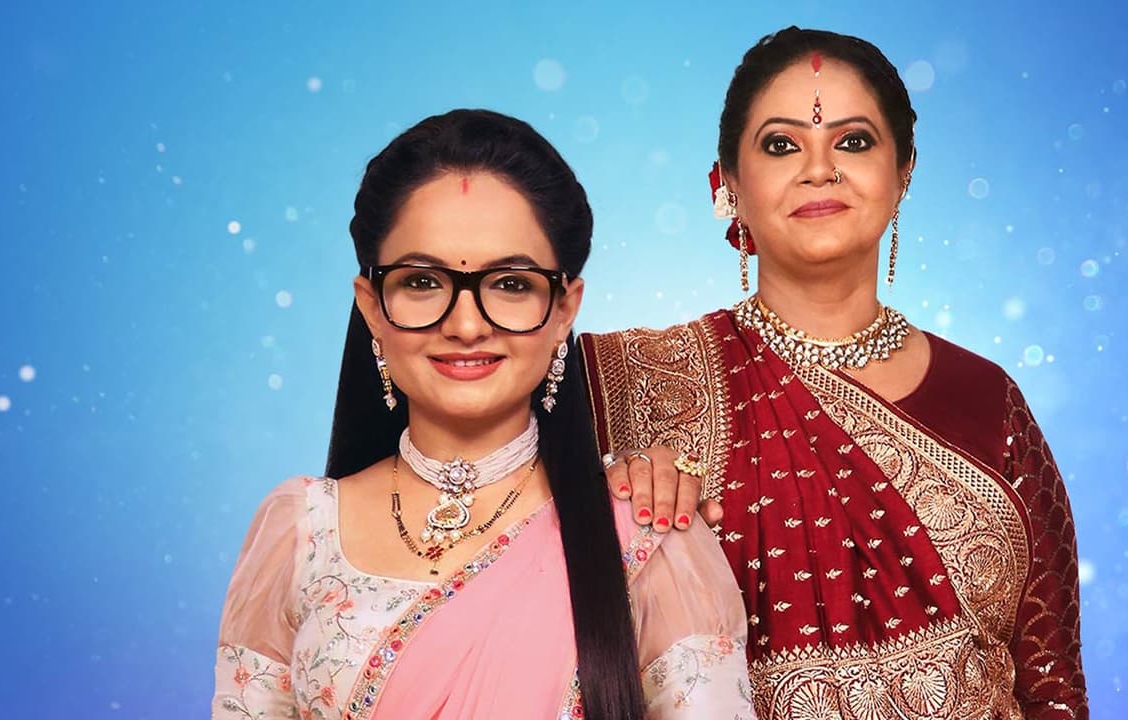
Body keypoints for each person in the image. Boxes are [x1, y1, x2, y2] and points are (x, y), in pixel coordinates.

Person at [584, 28, 1089, 719]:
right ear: (727, 183)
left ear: (904, 170)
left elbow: (1052, 687)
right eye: (780, 145)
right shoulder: (626, 382)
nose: (819, 170)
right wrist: (611, 485)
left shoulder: (987, 400)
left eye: (853, 141)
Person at [212, 109, 755, 720]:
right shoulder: (301, 533)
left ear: (565, 309)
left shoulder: (648, 536)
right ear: (371, 306)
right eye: (422, 282)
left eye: (511, 284)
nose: (466, 325)